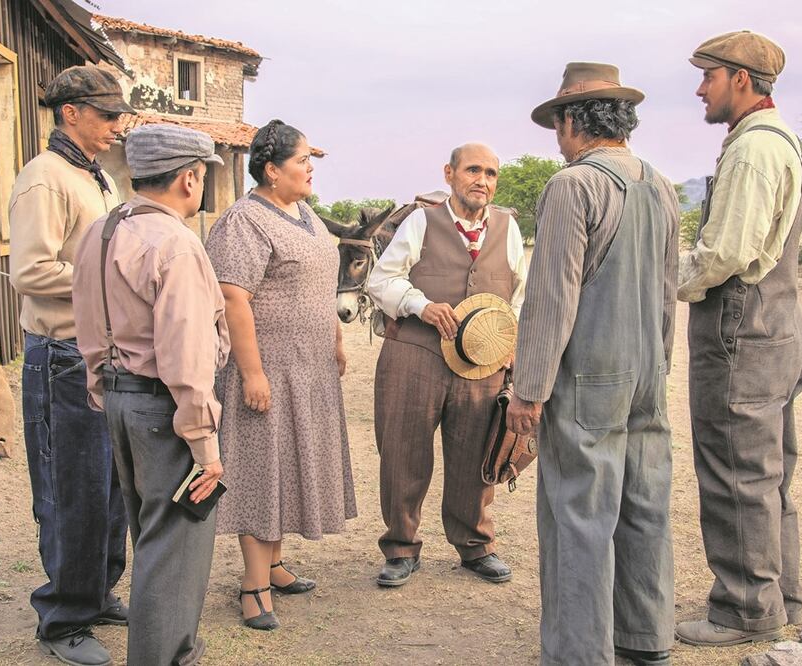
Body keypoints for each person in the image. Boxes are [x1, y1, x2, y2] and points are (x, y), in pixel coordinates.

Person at [507, 63, 680, 666]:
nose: (558, 139)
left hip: (586, 379)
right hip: (646, 375)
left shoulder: (572, 186)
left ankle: (580, 654)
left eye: (558, 125)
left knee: (579, 516)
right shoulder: (660, 185)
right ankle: (645, 637)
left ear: (573, 120)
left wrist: (527, 390)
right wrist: (659, 365)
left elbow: (552, 301)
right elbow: (666, 292)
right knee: (645, 506)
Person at [674, 31, 802, 647]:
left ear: (740, 79)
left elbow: (725, 253)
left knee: (735, 473)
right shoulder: (786, 140)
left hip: (742, 329)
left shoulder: (754, 149)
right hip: (779, 327)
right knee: (768, 473)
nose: (700, 88)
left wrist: (662, 276)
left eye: (709, 76)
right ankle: (780, 596)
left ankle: (743, 609)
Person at [72, 123, 229, 666]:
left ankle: (176, 644)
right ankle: (165, 656)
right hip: (163, 404)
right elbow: (187, 353)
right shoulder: (175, 242)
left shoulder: (102, 230)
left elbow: (87, 326)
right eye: (204, 174)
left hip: (118, 397)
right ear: (189, 178)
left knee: (152, 535)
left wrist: (104, 390)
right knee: (175, 544)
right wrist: (204, 440)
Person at [205, 119, 356, 631]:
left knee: (288, 465)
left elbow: (318, 286)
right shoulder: (244, 220)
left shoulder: (306, 213)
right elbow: (233, 298)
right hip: (268, 367)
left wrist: (335, 340)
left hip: (308, 369)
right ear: (271, 171)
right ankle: (253, 586)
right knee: (261, 471)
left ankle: (274, 563)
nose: (310, 168)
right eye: (301, 161)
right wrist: (251, 372)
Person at [8, 64, 133, 666]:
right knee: (71, 491)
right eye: (107, 115)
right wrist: (111, 281)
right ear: (71, 113)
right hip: (58, 354)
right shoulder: (44, 178)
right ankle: (63, 620)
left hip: (96, 352)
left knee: (110, 485)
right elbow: (30, 272)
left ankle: (99, 590)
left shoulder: (98, 179)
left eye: (119, 115)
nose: (117, 125)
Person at [366, 142, 527, 587]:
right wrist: (420, 305)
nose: (483, 180)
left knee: (477, 453)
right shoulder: (421, 221)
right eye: (473, 170)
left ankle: (476, 546)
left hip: (482, 363)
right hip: (415, 355)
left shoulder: (508, 228)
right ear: (449, 174)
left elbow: (522, 295)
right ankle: (400, 547)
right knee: (402, 452)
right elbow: (382, 280)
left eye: (491, 173)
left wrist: (511, 339)